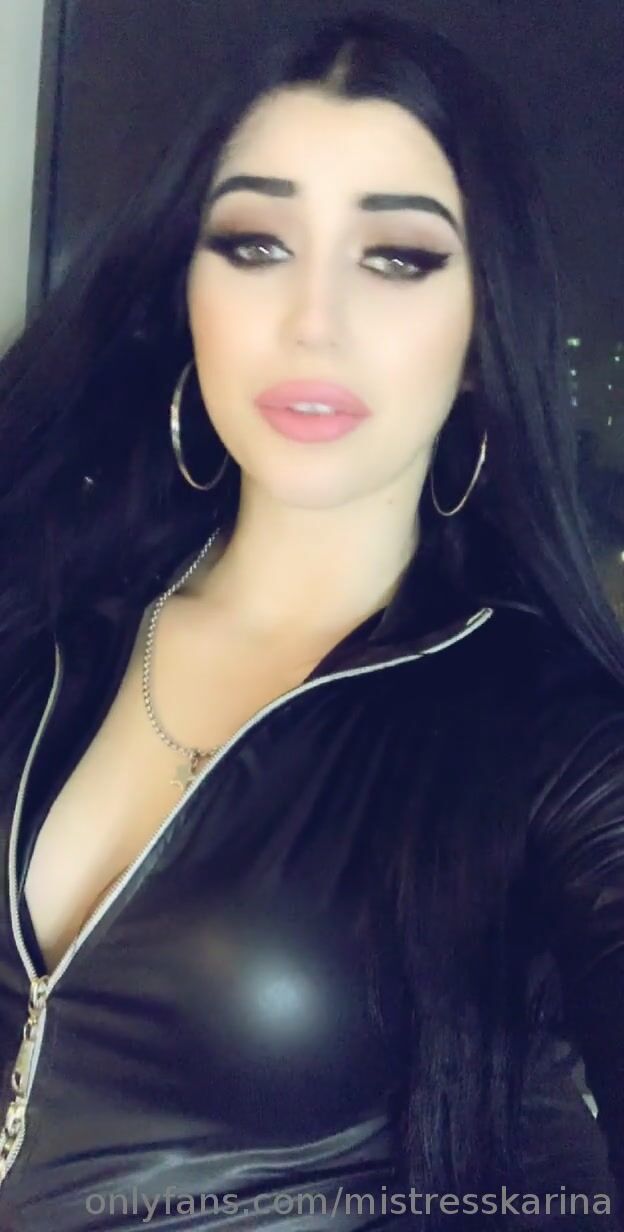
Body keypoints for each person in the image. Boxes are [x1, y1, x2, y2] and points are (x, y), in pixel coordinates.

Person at [0, 7, 622, 1229]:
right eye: (255, 243)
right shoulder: (51, 615)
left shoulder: (549, 742)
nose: (313, 320)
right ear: (186, 288)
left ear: (482, 330)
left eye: (397, 256)